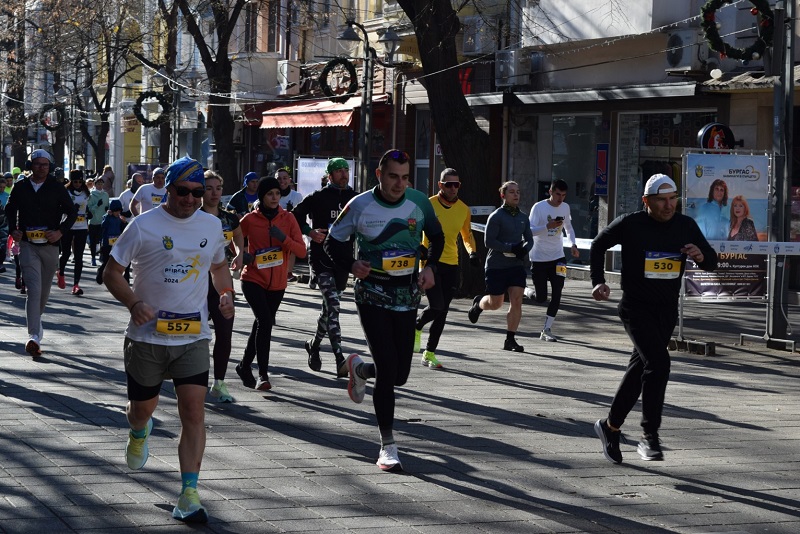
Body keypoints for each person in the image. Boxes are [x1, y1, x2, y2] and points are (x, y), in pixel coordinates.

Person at [102, 156, 234, 524]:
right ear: (168, 190)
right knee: (141, 409)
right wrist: (134, 303)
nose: (191, 199)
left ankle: (189, 494)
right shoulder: (143, 226)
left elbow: (218, 266)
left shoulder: (211, 225)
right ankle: (138, 430)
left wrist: (226, 293)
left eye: (197, 192)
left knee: (193, 412)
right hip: (146, 337)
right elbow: (111, 272)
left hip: (193, 335)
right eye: (183, 191)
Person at [325, 149, 444, 472]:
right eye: (393, 176)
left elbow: (437, 237)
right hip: (372, 293)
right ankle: (388, 445)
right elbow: (332, 242)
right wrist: (351, 264)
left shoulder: (419, 203)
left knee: (400, 374)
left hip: (407, 293)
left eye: (405, 177)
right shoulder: (359, 205)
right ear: (379, 175)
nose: (399, 184)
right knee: (389, 370)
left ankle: (360, 370)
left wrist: (430, 267)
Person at [590, 174, 717, 464]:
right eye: (662, 200)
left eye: (673, 199)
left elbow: (711, 260)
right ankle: (649, 436)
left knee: (640, 370)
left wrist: (700, 256)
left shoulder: (685, 225)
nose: (669, 205)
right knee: (659, 363)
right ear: (646, 201)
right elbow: (598, 245)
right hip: (635, 308)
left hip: (666, 311)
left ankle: (610, 427)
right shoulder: (630, 223)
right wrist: (598, 281)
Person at [235, 177, 306, 391]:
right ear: (262, 197)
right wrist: (242, 255)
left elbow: (301, 251)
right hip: (253, 279)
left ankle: (244, 366)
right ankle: (263, 375)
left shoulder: (288, 218)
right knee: (265, 322)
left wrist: (283, 238)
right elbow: (234, 238)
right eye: (269, 194)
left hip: (277, 284)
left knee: (261, 324)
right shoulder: (250, 219)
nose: (275, 198)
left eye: (277, 193)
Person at [5, 149, 77, 357]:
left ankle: (37, 324)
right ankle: (34, 336)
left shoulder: (56, 187)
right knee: (33, 290)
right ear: (30, 166)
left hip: (50, 246)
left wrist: (60, 232)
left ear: (50, 167)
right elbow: (10, 209)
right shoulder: (21, 187)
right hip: (27, 245)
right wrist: (13, 229)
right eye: (37, 164)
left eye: (45, 164)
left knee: (43, 292)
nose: (41, 168)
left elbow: (72, 212)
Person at [292, 157, 357, 376]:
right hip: (321, 259)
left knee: (328, 309)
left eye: (346, 170)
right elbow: (294, 216)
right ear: (329, 175)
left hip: (343, 260)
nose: (343, 174)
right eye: (338, 171)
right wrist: (309, 232)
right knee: (334, 305)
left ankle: (314, 345)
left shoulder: (354, 198)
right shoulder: (318, 197)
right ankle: (339, 358)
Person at [413, 168, 478, 369]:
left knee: (443, 311)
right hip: (431, 264)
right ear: (440, 185)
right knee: (437, 306)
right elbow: (414, 229)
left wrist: (472, 253)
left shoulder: (463, 209)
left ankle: (429, 353)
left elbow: (467, 235)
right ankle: (417, 324)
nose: (452, 188)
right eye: (448, 184)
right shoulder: (428, 204)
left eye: (456, 185)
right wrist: (420, 249)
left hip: (452, 264)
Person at [467, 181, 532, 352]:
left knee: (517, 300)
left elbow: (530, 239)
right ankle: (479, 304)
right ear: (503, 195)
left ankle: (510, 340)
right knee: (496, 303)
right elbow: (489, 241)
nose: (516, 195)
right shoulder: (496, 216)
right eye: (512, 192)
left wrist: (524, 250)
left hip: (516, 265)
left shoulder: (523, 217)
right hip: (496, 265)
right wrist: (511, 248)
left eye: (518, 192)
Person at [201, 170, 244, 402]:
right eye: (209, 188)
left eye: (218, 188)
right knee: (197, 336)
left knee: (225, 333)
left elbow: (238, 235)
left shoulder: (229, 218)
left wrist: (240, 254)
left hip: (222, 282)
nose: (214, 193)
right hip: (196, 283)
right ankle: (191, 382)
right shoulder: (193, 217)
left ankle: (219, 383)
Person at [527, 179, 580, 342]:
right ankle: (527, 291)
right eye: (557, 194)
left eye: (563, 195)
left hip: (558, 258)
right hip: (539, 258)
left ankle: (547, 329)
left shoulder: (565, 207)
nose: (560, 199)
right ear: (550, 192)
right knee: (541, 297)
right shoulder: (538, 207)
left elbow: (568, 227)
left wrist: (573, 244)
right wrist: (547, 227)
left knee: (558, 292)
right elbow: (529, 231)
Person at [57, 169, 91, 295]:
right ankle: (61, 272)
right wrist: (71, 210)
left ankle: (76, 285)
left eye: (80, 181)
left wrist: (89, 213)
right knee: (66, 253)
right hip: (68, 226)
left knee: (79, 256)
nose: (78, 184)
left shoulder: (86, 193)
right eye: (75, 181)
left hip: (82, 226)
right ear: (71, 181)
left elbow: (86, 206)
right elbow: (60, 208)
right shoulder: (65, 192)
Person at [276, 166, 304, 282]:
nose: (282, 181)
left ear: (289, 180)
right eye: (279, 179)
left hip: (291, 227)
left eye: (285, 178)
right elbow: (259, 203)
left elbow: (302, 214)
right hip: (275, 228)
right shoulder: (272, 193)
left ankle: (288, 272)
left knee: (291, 246)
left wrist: (292, 212)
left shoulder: (296, 196)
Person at [95, 199, 126, 284]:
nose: (117, 213)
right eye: (116, 211)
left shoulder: (119, 218)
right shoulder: (107, 217)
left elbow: (123, 229)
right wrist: (108, 216)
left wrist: (124, 222)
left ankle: (112, 278)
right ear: (112, 210)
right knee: (106, 261)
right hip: (107, 243)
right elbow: (103, 225)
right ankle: (100, 274)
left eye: (119, 211)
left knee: (114, 262)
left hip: (116, 243)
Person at [87, 176, 110, 266]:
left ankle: (102, 256)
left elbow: (108, 206)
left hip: (103, 221)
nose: (100, 186)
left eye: (101, 184)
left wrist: (108, 209)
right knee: (93, 241)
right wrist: (97, 205)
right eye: (98, 184)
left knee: (102, 241)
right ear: (95, 185)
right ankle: (93, 258)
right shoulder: (91, 195)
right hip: (93, 221)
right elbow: (89, 209)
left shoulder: (105, 195)